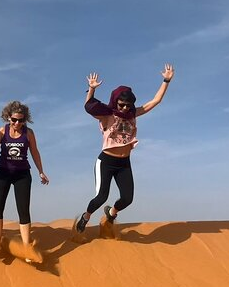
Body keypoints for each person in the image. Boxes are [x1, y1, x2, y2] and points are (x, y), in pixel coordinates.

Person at [73, 64, 175, 240]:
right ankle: (86, 216)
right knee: (101, 196)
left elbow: (155, 101)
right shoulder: (106, 114)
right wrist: (91, 89)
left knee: (127, 198)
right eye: (121, 104)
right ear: (115, 102)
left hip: (124, 163)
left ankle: (111, 215)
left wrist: (166, 80)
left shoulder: (133, 115)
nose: (125, 108)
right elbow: (88, 106)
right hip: (106, 161)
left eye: (128, 105)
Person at [0, 101, 48, 260]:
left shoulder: (29, 133)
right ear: (8, 118)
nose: (17, 123)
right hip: (2, 173)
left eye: (21, 120)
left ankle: (26, 248)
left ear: (25, 120)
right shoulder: (2, 131)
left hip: (22, 174)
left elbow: (35, 153)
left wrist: (41, 171)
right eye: (14, 120)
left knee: (23, 210)